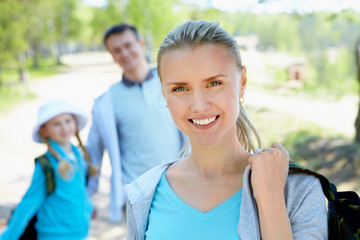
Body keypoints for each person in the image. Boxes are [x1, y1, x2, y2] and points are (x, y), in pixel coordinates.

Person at [124, 20, 328, 240]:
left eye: (214, 83)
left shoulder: (299, 190)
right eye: (180, 88)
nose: (199, 105)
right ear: (164, 93)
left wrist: (270, 197)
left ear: (242, 82)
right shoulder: (144, 194)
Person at [86, 23, 187, 222]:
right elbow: (93, 154)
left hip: (182, 185)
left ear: (140, 44)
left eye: (128, 45)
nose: (124, 53)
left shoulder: (171, 82)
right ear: (112, 56)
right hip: (137, 194)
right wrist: (84, 194)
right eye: (116, 50)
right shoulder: (107, 101)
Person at [0, 99, 97, 240]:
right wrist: (8, 237)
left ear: (75, 123)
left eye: (68, 121)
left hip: (81, 232)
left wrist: (88, 208)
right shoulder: (47, 164)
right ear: (44, 131)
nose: (64, 128)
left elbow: (78, 191)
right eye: (56, 124)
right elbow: (28, 204)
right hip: (55, 234)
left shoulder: (78, 155)